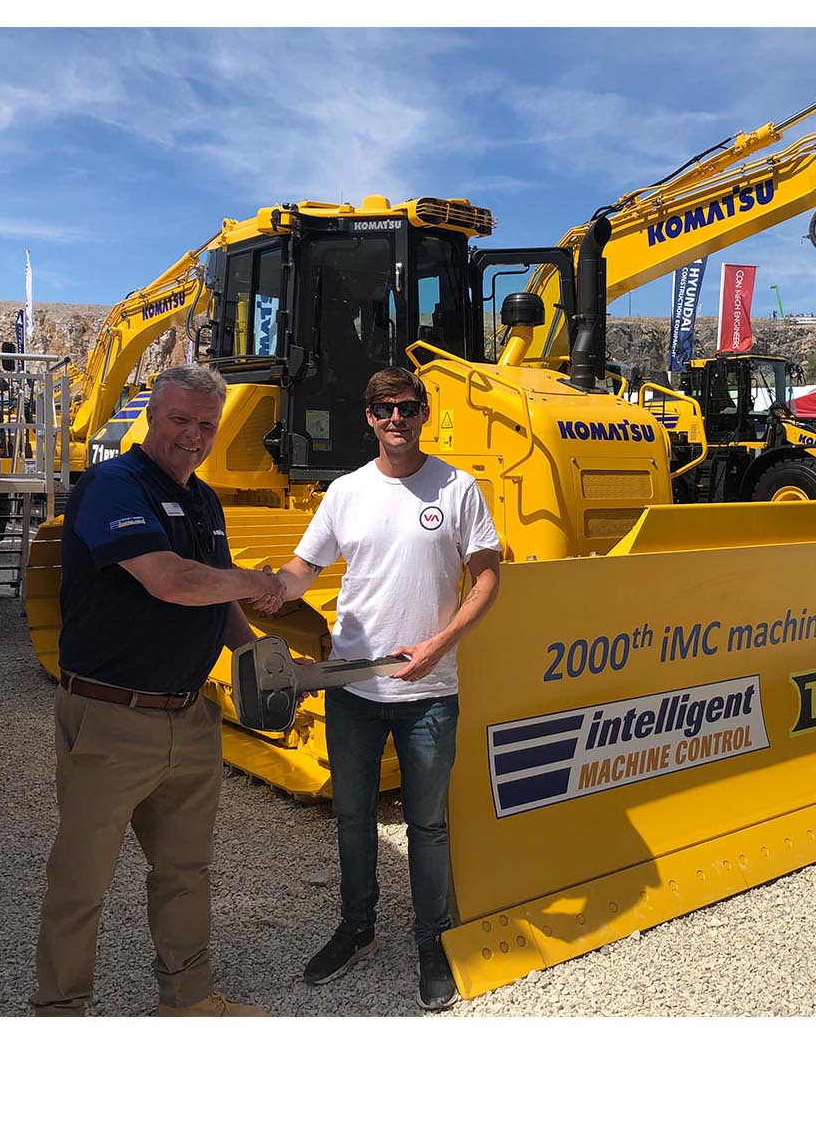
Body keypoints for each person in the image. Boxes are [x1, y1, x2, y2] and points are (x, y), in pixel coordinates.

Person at [32, 365, 285, 1016]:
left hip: (190, 717)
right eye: (180, 419)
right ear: (150, 415)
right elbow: (173, 581)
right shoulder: (113, 485)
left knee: (185, 873)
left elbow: (216, 594)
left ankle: (189, 1001)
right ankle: (60, 1012)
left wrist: (259, 655)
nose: (193, 435)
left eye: (207, 424)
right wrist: (258, 581)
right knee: (81, 880)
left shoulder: (204, 499)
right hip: (112, 716)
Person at [272, 367, 500, 1011]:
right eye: (383, 408)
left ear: (423, 413)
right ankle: (357, 927)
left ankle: (432, 941)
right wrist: (261, 587)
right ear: (369, 418)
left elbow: (487, 579)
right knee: (353, 819)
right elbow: (301, 570)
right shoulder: (346, 492)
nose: (396, 417)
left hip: (430, 691)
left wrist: (439, 645)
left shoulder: (457, 488)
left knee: (427, 825)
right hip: (353, 688)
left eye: (407, 406)